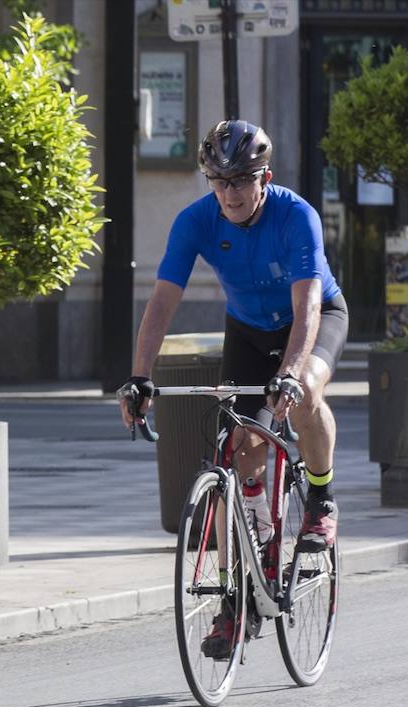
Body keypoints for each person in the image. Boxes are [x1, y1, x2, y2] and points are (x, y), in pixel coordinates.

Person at [117, 120, 346, 661]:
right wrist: (140, 375)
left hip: (311, 320)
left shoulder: (297, 217)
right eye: (218, 182)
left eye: (240, 180)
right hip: (246, 330)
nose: (230, 194)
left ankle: (319, 495)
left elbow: (308, 305)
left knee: (308, 389)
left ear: (263, 176)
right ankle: (235, 596)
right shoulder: (195, 222)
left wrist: (290, 373)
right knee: (237, 450)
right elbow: (162, 302)